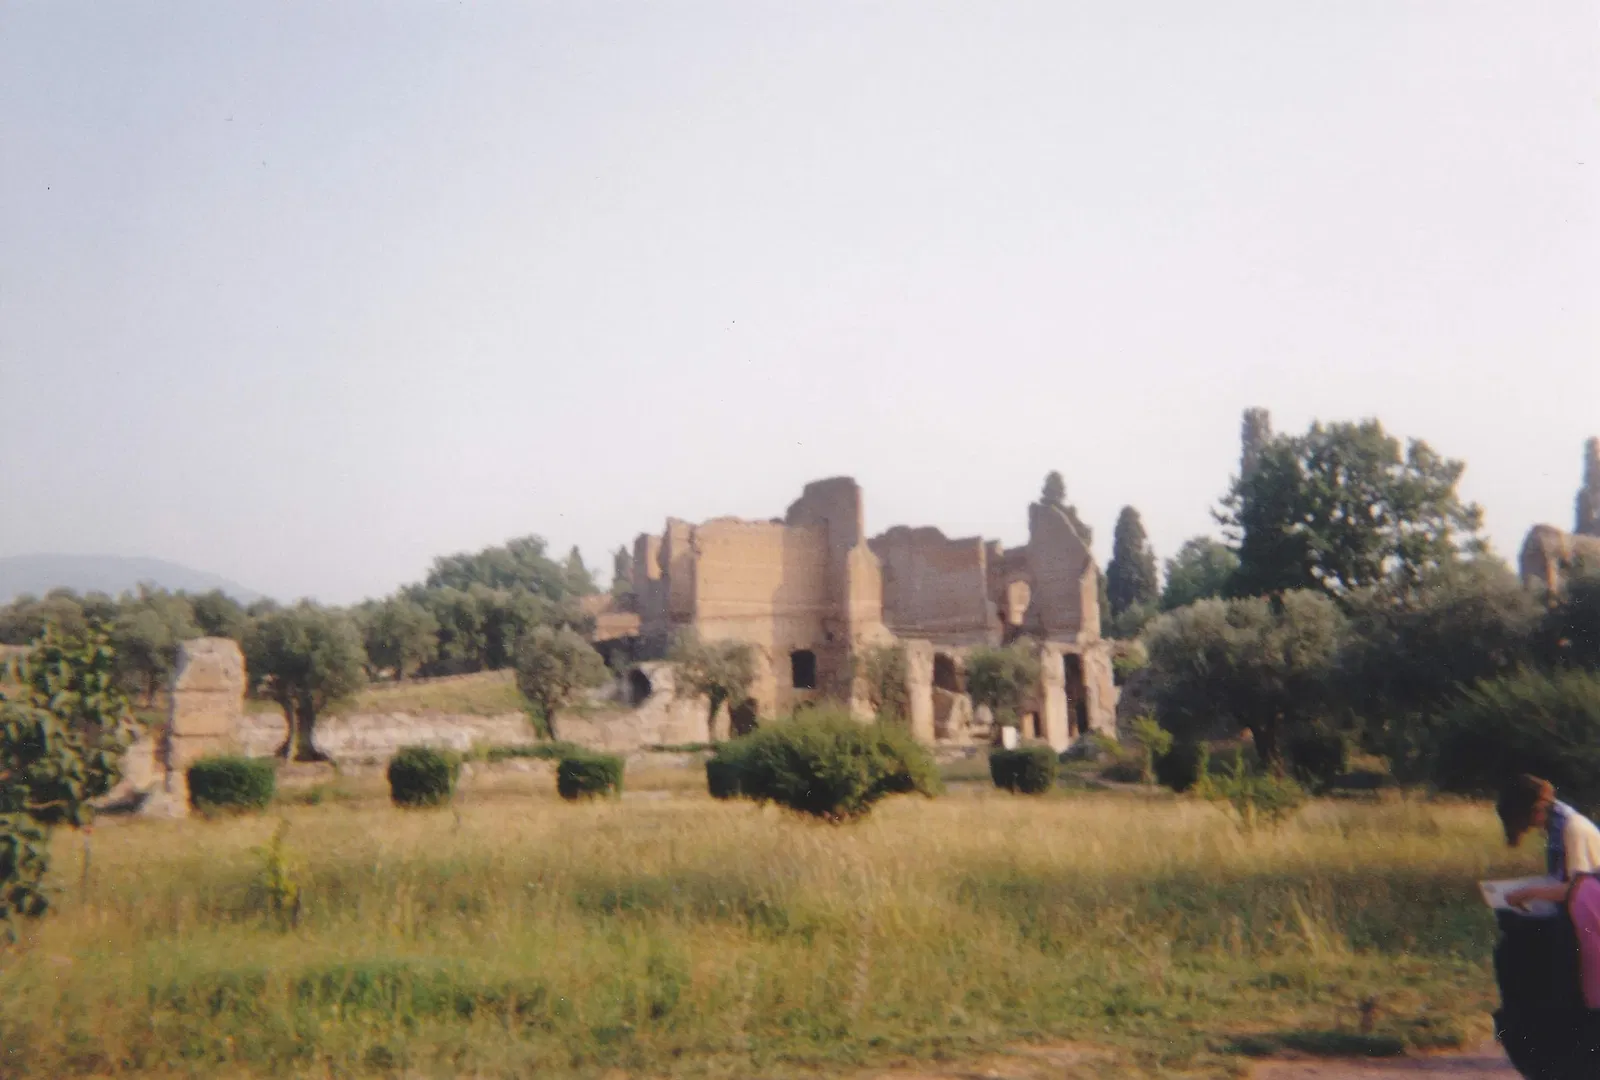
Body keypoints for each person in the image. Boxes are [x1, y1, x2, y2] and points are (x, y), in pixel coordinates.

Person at [1498, 774, 1600, 1009]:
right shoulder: (1556, 826)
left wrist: (1530, 892)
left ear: (1537, 809)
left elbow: (1579, 892)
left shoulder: (1572, 828)